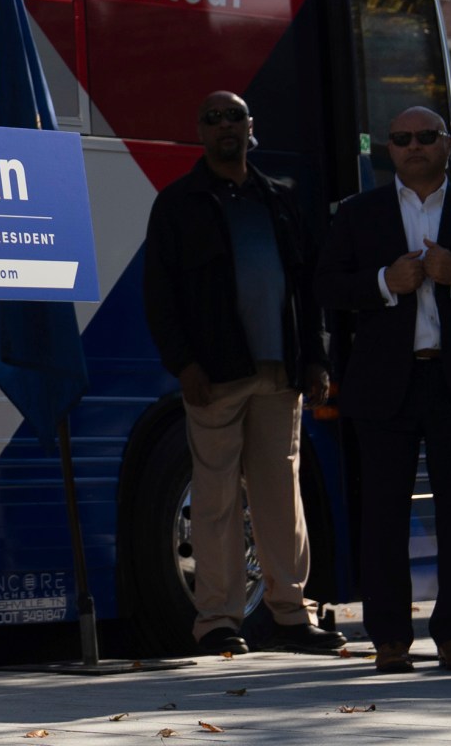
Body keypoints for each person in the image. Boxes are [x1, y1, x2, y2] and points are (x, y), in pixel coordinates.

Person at [316, 106, 451, 673]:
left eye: (426, 137)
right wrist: (385, 283)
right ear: (388, 149)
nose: (414, 146)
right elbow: (327, 285)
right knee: (382, 513)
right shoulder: (360, 216)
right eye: (402, 138)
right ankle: (388, 637)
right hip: (386, 383)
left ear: (448, 143)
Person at [139, 90, 342, 656]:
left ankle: (290, 615)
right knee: (215, 499)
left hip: (282, 374)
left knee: (282, 497)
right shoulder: (179, 204)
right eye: (212, 118)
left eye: (234, 115)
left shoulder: (279, 199)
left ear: (251, 126)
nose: (225, 124)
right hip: (216, 377)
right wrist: (184, 364)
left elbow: (309, 288)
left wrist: (317, 357)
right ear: (200, 133)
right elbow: (161, 294)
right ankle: (218, 622)